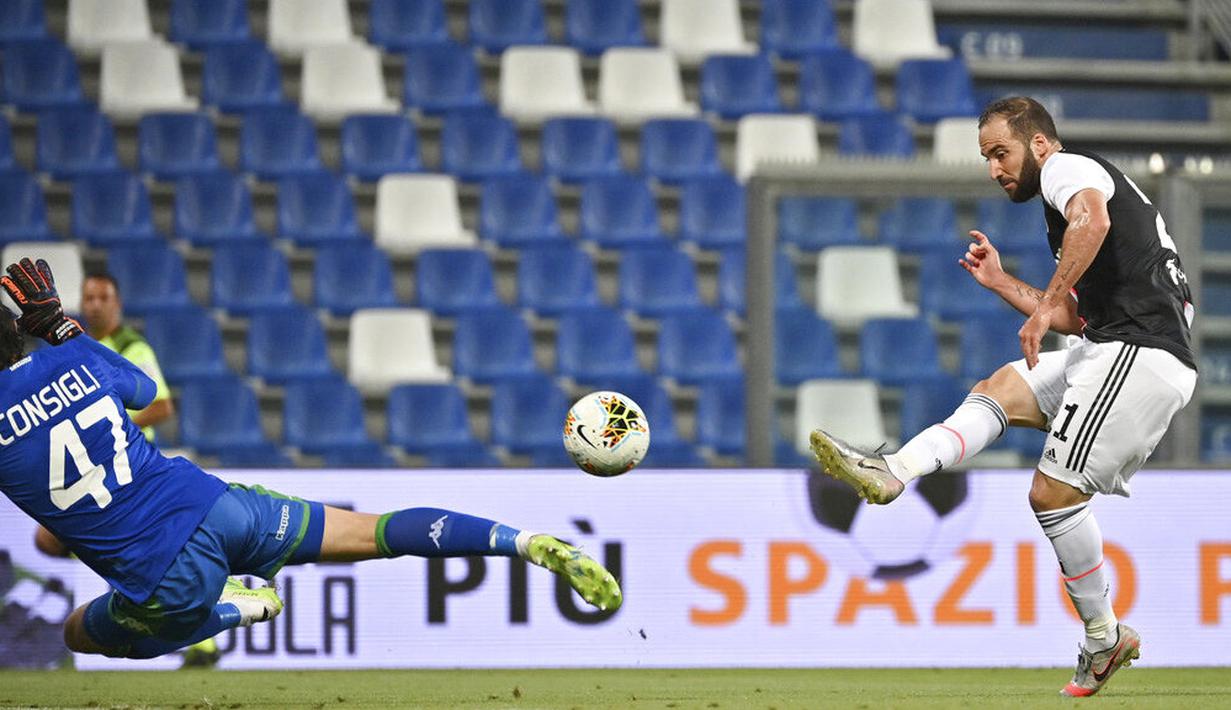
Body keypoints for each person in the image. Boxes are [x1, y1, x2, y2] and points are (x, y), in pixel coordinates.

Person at [0, 257, 621, 662]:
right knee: (374, 532)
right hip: (218, 506)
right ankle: (525, 542)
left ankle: (236, 607)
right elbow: (142, 393)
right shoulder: (70, 355)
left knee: (82, 631)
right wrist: (60, 327)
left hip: (163, 573)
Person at [809, 96, 1196, 697]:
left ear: (1040, 144)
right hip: (1113, 345)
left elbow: (1091, 226)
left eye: (1000, 152)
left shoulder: (1068, 171)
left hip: (1140, 353)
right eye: (987, 157)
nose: (993, 168)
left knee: (1052, 494)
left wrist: (1042, 309)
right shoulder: (1078, 193)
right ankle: (895, 470)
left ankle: (1103, 636)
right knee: (999, 389)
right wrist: (1003, 283)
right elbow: (1074, 313)